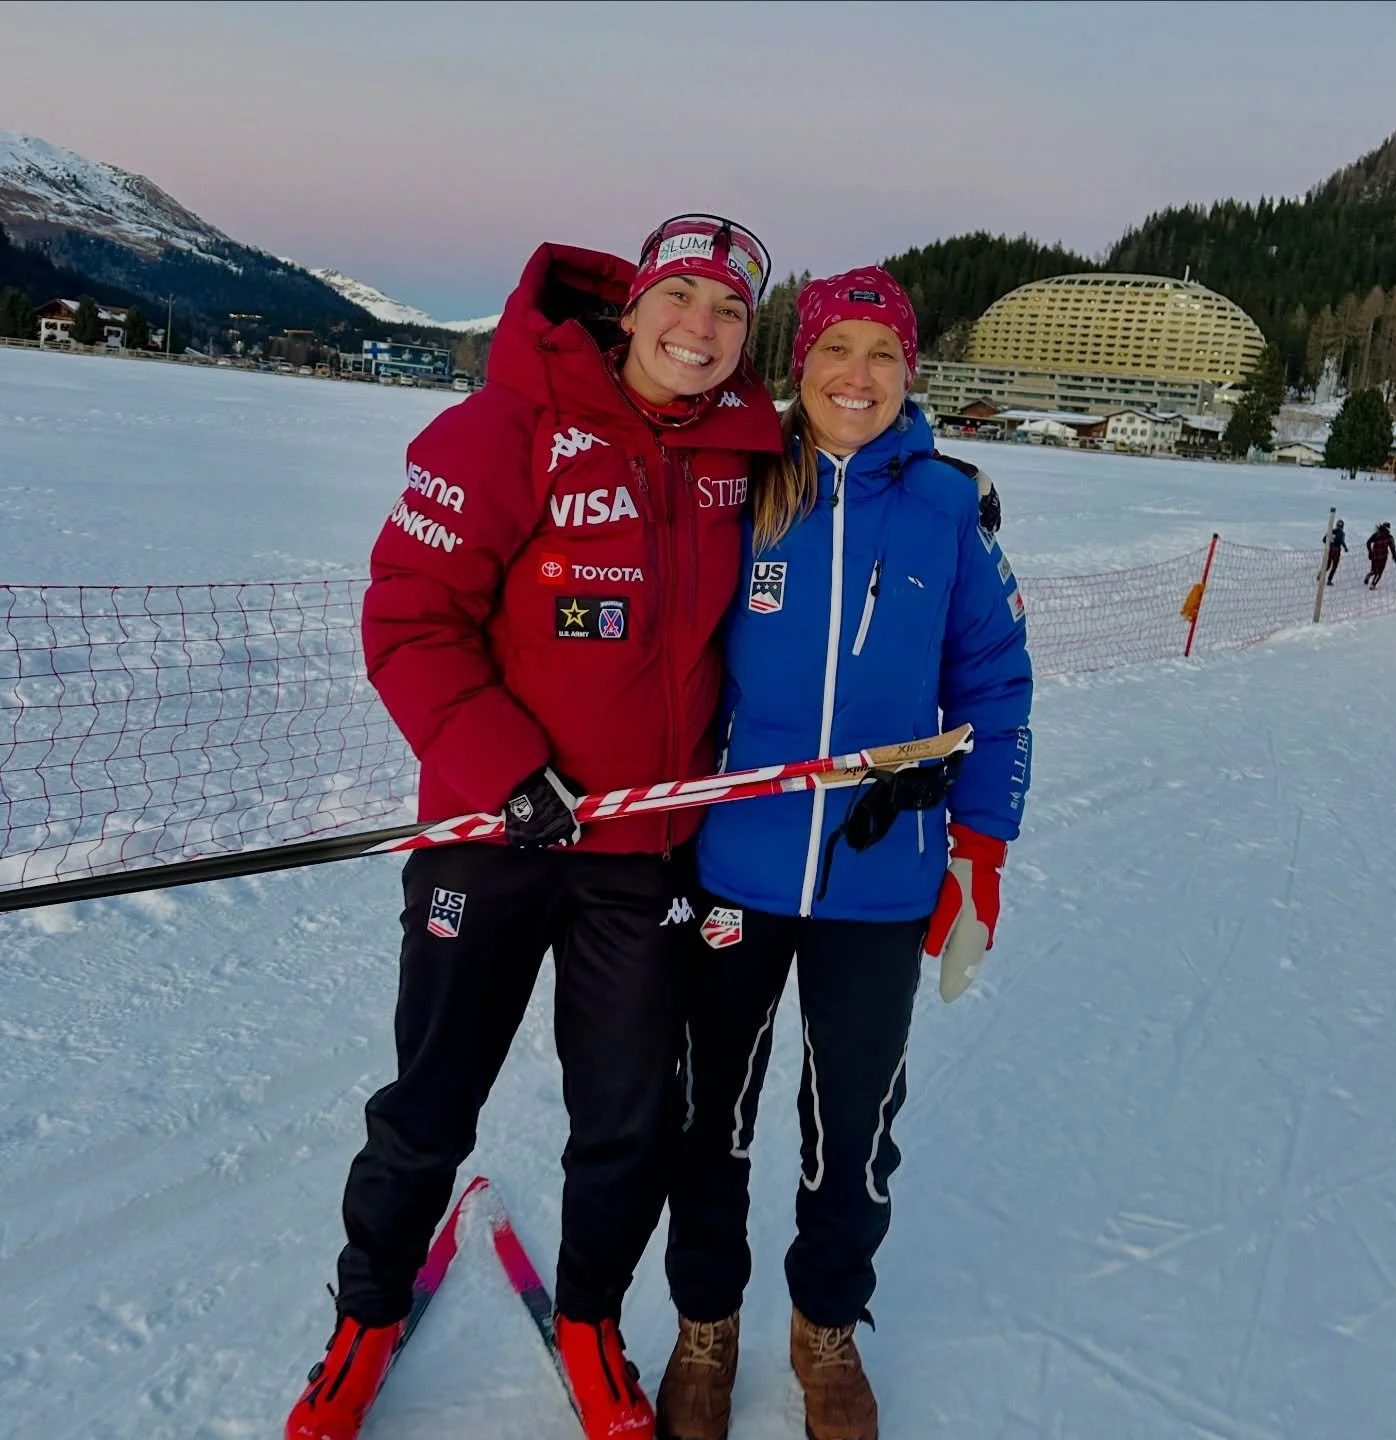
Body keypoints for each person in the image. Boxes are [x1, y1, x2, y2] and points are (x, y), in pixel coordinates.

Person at [284, 215, 782, 1440]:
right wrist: (505, 769)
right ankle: (364, 1315)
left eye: (728, 314)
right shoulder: (505, 427)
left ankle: (591, 1317)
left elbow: (856, 474)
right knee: (432, 1101)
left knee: (625, 1118)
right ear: (632, 308)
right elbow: (408, 618)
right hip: (491, 840)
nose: (700, 330)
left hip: (641, 854)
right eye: (681, 300)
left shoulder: (747, 453)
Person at [655, 269, 1033, 1440]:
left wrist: (981, 854)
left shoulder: (948, 508)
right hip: (738, 864)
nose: (857, 375)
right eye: (835, 350)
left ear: (909, 372)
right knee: (708, 1111)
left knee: (854, 1120)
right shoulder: (741, 486)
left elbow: (997, 689)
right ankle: (705, 1324)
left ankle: (825, 1324)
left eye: (882, 352)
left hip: (882, 871)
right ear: (799, 364)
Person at [1365, 521, 1396, 589]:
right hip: (1383, 556)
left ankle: (1368, 575)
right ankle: (1373, 585)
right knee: (1379, 572)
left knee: (1373, 570)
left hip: (1374, 555)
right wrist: (1394, 556)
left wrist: (1370, 551)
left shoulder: (1376, 534)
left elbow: (1368, 542)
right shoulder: (1389, 537)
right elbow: (1392, 547)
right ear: (1388, 529)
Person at [1325, 518, 1347, 585]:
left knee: (1327, 565)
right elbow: (1341, 541)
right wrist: (1345, 548)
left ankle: (1321, 574)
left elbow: (1324, 540)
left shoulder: (1331, 531)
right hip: (1336, 550)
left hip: (1330, 549)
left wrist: (1330, 542)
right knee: (1334, 566)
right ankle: (1329, 580)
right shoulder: (1342, 533)